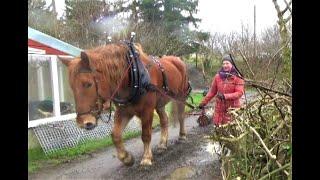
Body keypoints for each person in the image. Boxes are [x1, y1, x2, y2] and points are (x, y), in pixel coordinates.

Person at [198, 54, 245, 126]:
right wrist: (203, 102)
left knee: (230, 130)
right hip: (219, 109)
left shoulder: (238, 77)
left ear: (232, 64)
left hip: (232, 109)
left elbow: (239, 93)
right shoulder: (218, 76)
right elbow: (212, 92)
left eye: (227, 63)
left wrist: (225, 96)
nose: (225, 65)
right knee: (218, 128)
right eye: (223, 63)